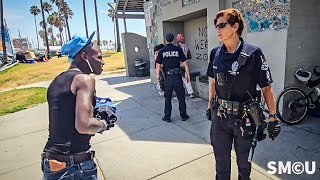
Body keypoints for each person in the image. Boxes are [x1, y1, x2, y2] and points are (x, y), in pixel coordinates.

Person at [206, 9, 281, 180]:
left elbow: (266, 88)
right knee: (221, 165)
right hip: (220, 117)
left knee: (244, 167)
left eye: (221, 25)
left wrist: (272, 117)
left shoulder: (254, 53)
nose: (217, 29)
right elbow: (213, 82)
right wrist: (210, 106)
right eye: (216, 26)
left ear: (235, 26)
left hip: (245, 119)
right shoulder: (215, 53)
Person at [41, 32, 109, 180]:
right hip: (75, 166)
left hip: (50, 162)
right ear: (84, 56)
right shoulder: (85, 80)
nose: (102, 62)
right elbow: (84, 125)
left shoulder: (56, 81)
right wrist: (104, 123)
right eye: (99, 57)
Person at [156, 33, 191, 122]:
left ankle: (167, 117)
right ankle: (184, 116)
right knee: (181, 97)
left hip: (167, 78)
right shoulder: (178, 49)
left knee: (167, 98)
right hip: (177, 77)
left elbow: (158, 65)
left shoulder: (161, 51)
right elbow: (185, 63)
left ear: (165, 40)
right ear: (173, 40)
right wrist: (188, 75)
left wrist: (157, 77)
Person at [176, 33, 195, 98]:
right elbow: (189, 56)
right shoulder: (186, 46)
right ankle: (191, 93)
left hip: (179, 65)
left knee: (179, 80)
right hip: (185, 64)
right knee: (186, 79)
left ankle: (181, 93)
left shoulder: (177, 47)